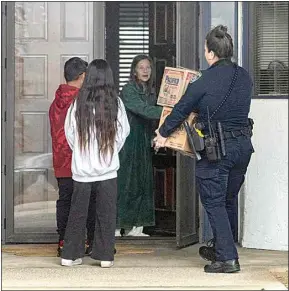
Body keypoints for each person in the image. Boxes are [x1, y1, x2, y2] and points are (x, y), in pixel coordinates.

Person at [154, 25, 254, 273]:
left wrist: (162, 134)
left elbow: (181, 109)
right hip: (243, 147)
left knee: (214, 201)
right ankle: (223, 246)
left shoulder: (204, 80)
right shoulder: (245, 76)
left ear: (210, 53)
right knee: (228, 199)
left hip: (217, 150)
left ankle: (227, 259)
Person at [61, 59, 130, 267]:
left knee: (77, 212)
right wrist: (109, 154)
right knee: (106, 213)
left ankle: (69, 256)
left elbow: (69, 133)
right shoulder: (115, 103)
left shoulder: (77, 102)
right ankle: (104, 256)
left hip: (82, 169)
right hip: (107, 170)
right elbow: (123, 132)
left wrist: (82, 153)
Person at [49, 57, 96, 257]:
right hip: (80, 161)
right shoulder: (81, 101)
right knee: (90, 202)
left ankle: (64, 242)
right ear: (82, 76)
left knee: (65, 201)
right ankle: (90, 242)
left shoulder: (56, 101)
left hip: (61, 161)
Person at [116, 54, 162, 237]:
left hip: (143, 142)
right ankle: (117, 226)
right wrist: (172, 111)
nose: (145, 71)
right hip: (128, 141)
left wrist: (154, 136)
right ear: (134, 70)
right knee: (125, 183)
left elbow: (151, 119)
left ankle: (138, 227)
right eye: (141, 67)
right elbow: (143, 110)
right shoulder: (128, 90)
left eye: (148, 67)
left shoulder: (151, 91)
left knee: (143, 183)